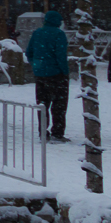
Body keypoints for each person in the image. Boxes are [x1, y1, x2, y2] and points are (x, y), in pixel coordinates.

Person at [25, 10, 70, 142]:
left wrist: (36, 65)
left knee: (42, 104)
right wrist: (65, 72)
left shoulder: (37, 33)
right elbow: (61, 55)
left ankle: (43, 132)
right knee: (59, 105)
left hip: (40, 75)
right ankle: (57, 132)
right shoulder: (59, 34)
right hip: (56, 75)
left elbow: (29, 52)